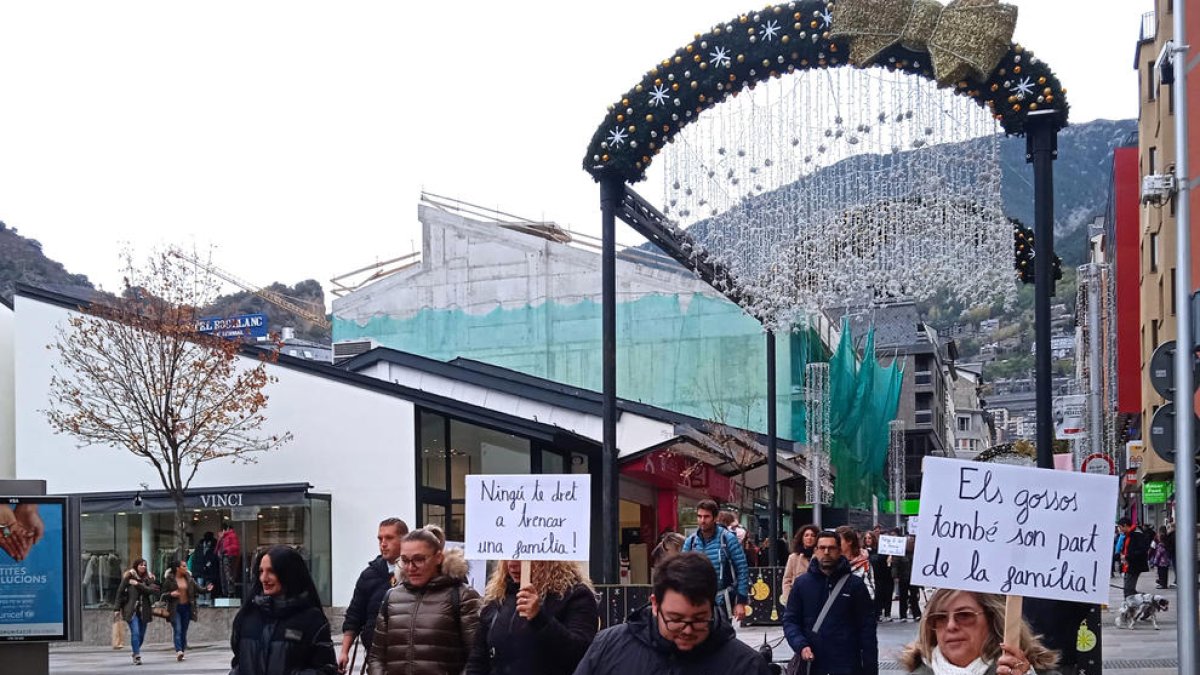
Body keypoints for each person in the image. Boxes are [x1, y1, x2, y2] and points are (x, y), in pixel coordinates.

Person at [572, 551, 772, 674]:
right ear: (655, 604)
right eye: (675, 619)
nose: (687, 630)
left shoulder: (746, 665)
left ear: (712, 606)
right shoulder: (609, 647)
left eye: (699, 619)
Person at [367, 525, 481, 675]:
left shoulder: (462, 596)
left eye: (419, 559)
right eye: (405, 560)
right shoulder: (392, 597)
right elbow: (376, 657)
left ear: (438, 557)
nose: (411, 567)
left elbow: (477, 658)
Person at [465, 559, 598, 675]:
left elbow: (580, 653)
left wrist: (539, 618)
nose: (512, 564)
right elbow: (478, 660)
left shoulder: (575, 596)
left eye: (522, 558)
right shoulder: (498, 598)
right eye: (507, 556)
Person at [229, 545, 338, 675]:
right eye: (261, 571)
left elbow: (327, 669)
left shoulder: (311, 619)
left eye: (271, 571)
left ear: (288, 573)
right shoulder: (247, 616)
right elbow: (238, 662)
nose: (264, 578)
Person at [898, 589, 1059, 675]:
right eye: (939, 617)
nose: (951, 625)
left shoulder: (1032, 672)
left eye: (965, 615)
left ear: (992, 620)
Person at [783, 530, 877, 675]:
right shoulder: (802, 584)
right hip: (812, 664)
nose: (826, 552)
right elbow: (790, 620)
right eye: (822, 548)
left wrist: (870, 668)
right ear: (816, 551)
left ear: (840, 551)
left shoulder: (855, 585)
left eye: (831, 548)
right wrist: (801, 645)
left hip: (847, 664)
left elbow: (867, 630)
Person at [338, 517, 409, 673]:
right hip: (376, 656)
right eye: (380, 538)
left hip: (408, 656)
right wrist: (344, 652)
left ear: (405, 540)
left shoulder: (414, 573)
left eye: (389, 538)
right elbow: (354, 615)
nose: (383, 543)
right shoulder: (369, 575)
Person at [681, 499, 749, 623]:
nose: (702, 520)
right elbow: (682, 573)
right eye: (699, 516)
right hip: (697, 602)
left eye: (706, 516)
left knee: (721, 639)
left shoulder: (728, 539)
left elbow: (742, 569)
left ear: (715, 518)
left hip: (722, 602)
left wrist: (741, 602)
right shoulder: (690, 542)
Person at [116, 558, 159, 666]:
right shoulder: (128, 578)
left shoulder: (149, 578)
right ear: (136, 566)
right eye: (141, 565)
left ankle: (135, 650)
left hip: (144, 610)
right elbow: (120, 593)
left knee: (141, 635)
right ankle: (137, 655)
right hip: (131, 610)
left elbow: (150, 590)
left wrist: (137, 584)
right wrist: (116, 609)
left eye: (145, 565)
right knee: (135, 632)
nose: (143, 567)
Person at [162, 559, 207, 662]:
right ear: (177, 568)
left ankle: (182, 650)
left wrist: (206, 589)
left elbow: (198, 588)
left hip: (186, 607)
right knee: (177, 629)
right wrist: (171, 594)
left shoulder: (189, 578)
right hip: (175, 608)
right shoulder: (169, 579)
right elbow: (162, 594)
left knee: (184, 631)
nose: (186, 568)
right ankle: (178, 651)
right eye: (184, 566)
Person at [782, 524, 820, 602]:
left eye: (813, 535)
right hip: (797, 598)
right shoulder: (793, 557)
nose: (809, 538)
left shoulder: (821, 556)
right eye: (806, 535)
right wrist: (789, 598)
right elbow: (787, 579)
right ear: (801, 538)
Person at [865, 531, 894, 623]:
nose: (867, 540)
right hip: (872, 577)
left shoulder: (880, 550)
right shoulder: (864, 551)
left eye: (869, 538)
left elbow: (882, 562)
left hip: (883, 575)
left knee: (885, 594)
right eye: (866, 538)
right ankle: (877, 613)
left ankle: (885, 613)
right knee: (876, 596)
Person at [1117, 517, 1149, 597]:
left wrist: (1127, 557)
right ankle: (1132, 605)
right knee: (1128, 589)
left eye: (1120, 528)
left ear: (1125, 525)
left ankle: (1133, 605)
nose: (1120, 530)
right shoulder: (1127, 536)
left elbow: (1142, 551)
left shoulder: (1137, 535)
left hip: (1134, 565)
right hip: (1127, 565)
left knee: (1128, 590)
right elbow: (1125, 550)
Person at [893, 536, 922, 623]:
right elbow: (895, 565)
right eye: (910, 543)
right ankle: (903, 615)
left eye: (913, 543)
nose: (911, 544)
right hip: (903, 577)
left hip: (913, 579)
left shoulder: (916, 554)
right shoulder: (900, 554)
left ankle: (916, 614)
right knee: (903, 597)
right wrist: (895, 576)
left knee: (914, 597)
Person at [838, 526, 873, 598]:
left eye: (839, 541)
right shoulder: (833, 562)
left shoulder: (864, 563)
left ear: (849, 541)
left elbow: (870, 592)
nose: (836, 544)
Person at [190, 531, 222, 599]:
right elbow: (196, 558)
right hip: (201, 569)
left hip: (208, 570)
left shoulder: (211, 546)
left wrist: (208, 564)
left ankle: (207, 600)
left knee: (206, 585)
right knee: (201, 585)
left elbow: (214, 558)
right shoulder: (200, 546)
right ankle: (203, 600)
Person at [218, 521, 242, 598]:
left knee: (228, 575)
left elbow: (235, 547)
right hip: (224, 557)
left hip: (228, 557)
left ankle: (230, 592)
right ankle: (226, 592)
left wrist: (225, 550)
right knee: (225, 575)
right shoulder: (224, 537)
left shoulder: (231, 536)